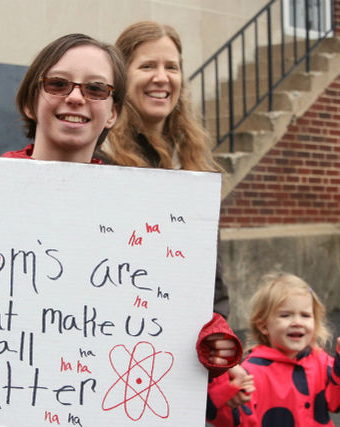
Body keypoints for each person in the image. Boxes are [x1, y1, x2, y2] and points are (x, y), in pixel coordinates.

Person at [0, 32, 240, 427]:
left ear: (114, 111)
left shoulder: (142, 215)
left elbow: (173, 302)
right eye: (58, 84)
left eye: (96, 88)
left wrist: (206, 333)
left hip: (98, 414)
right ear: (31, 100)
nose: (76, 97)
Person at [99, 20, 242, 378]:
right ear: (120, 77)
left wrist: (218, 337)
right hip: (106, 354)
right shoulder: (96, 159)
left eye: (171, 67)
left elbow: (212, 281)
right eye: (147, 66)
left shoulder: (192, 167)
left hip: (174, 369)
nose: (161, 78)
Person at [207, 272, 340, 427]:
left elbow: (339, 402)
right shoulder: (252, 372)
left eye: (305, 315)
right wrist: (225, 390)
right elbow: (234, 421)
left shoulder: (320, 361)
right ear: (263, 326)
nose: (297, 322)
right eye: (285, 315)